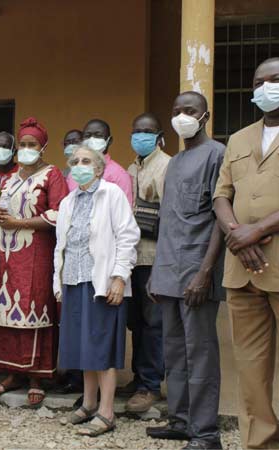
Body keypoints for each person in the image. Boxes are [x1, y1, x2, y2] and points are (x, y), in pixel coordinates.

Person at [213, 57, 279, 450]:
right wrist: (237, 234)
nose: (265, 87)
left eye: (276, 79)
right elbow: (221, 195)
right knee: (251, 372)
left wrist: (256, 231)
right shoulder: (239, 139)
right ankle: (260, 445)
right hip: (242, 269)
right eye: (259, 81)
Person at [146, 92, 225, 450]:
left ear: (205, 116)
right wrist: (156, 273)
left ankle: (205, 433)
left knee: (201, 353)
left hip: (197, 273)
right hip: (168, 273)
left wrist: (205, 273)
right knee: (174, 352)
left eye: (189, 111)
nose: (181, 116)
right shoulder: (175, 162)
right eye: (176, 111)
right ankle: (180, 421)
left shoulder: (217, 155)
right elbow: (168, 220)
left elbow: (219, 220)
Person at [55, 145, 139, 436]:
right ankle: (89, 404)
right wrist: (59, 282)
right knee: (83, 344)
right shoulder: (68, 202)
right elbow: (61, 246)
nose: (79, 165)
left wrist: (119, 277)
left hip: (102, 283)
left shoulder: (111, 194)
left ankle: (107, 412)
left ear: (100, 168)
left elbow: (128, 236)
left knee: (102, 346)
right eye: (75, 161)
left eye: (86, 161)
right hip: (74, 281)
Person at [0, 117, 69, 406]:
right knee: (7, 310)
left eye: (31, 144)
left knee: (33, 307)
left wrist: (20, 222)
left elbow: (59, 213)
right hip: (8, 254)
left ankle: (36, 375)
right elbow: (1, 209)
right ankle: (11, 373)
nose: (25, 149)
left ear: (42, 147)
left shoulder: (52, 175)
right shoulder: (9, 178)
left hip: (37, 253)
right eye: (22, 144)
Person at [120, 113, 170, 413]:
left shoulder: (167, 166)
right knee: (136, 322)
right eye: (137, 131)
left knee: (154, 324)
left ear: (158, 135)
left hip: (153, 258)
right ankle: (139, 377)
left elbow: (170, 217)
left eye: (147, 131)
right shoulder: (131, 167)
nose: (141, 136)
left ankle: (151, 385)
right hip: (132, 258)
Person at [67, 119, 133, 206]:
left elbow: (124, 213)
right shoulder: (74, 173)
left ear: (109, 140)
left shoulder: (119, 175)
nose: (92, 139)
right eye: (88, 135)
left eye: (98, 136)